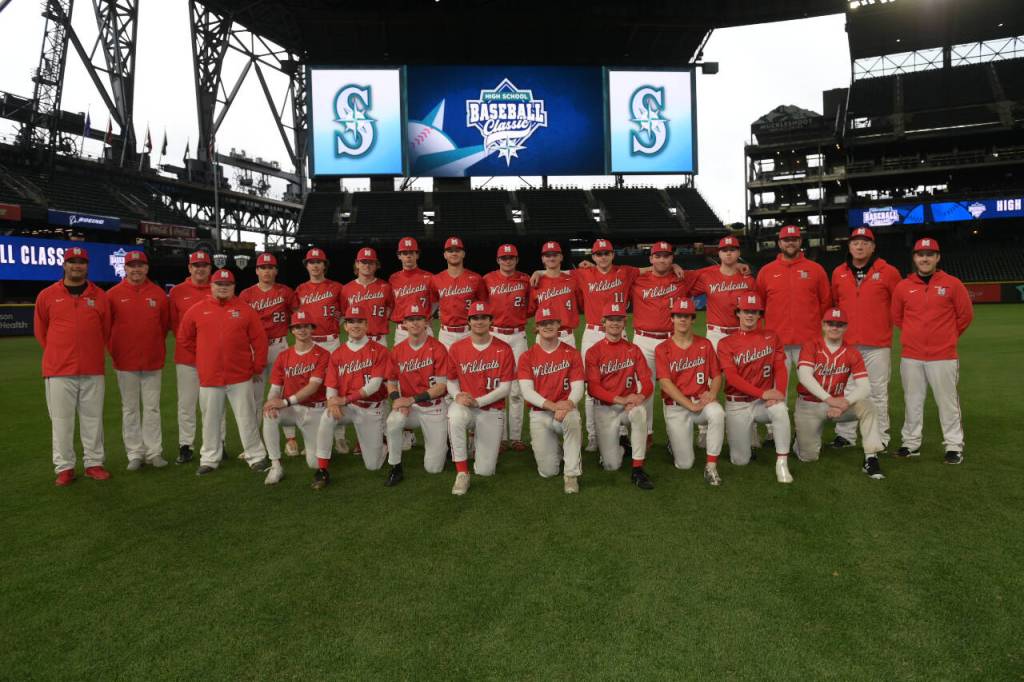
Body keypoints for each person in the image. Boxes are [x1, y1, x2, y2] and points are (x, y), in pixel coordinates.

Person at [178, 268, 270, 475]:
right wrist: (204, 356)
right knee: (210, 419)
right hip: (211, 377)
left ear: (233, 287)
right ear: (211, 286)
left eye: (227, 285)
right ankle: (210, 458)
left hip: (239, 375)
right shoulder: (197, 309)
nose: (223, 288)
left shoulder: (245, 309)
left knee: (246, 417)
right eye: (219, 284)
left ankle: (256, 456)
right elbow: (184, 337)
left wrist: (257, 366)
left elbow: (260, 340)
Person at [34, 246, 112, 486]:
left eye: (81, 262)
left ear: (87, 266)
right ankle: (65, 467)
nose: (77, 266)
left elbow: (106, 330)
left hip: (92, 368)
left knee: (93, 419)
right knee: (61, 421)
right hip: (58, 370)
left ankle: (94, 463)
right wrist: (61, 352)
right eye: (72, 262)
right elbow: (41, 332)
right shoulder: (47, 295)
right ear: (64, 265)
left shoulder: (100, 296)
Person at [891, 238, 973, 463]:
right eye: (920, 254)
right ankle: (910, 443)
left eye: (929, 254)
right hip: (911, 355)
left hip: (943, 355)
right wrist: (913, 336)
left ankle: (954, 446)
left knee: (947, 402)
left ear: (937, 258)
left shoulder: (952, 283)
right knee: (912, 401)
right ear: (915, 258)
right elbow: (897, 317)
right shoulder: (903, 286)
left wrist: (947, 337)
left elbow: (965, 315)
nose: (924, 258)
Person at [829, 227, 901, 451]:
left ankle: (880, 436)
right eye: (855, 242)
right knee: (846, 390)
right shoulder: (838, 272)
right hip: (847, 344)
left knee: (877, 391)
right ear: (849, 246)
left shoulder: (888, 272)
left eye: (865, 242)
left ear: (873, 246)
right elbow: (834, 305)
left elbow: (899, 305)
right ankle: (846, 435)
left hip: (877, 344)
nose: (859, 246)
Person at [794, 308, 885, 479]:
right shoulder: (811, 346)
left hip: (839, 406)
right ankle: (799, 438)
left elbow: (864, 387)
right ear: (823, 325)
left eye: (839, 324)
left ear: (846, 327)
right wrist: (830, 400)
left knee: (868, 406)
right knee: (809, 457)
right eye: (830, 323)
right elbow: (805, 377)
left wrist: (844, 403)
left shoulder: (852, 352)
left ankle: (871, 458)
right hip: (809, 405)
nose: (834, 327)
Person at [717, 293, 794, 483]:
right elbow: (732, 378)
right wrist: (763, 392)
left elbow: (780, 368)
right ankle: (748, 438)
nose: (749, 315)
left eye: (754, 311)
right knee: (740, 461)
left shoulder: (771, 336)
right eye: (745, 311)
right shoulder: (726, 343)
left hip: (763, 402)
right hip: (738, 404)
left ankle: (782, 463)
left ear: (760, 314)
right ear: (738, 313)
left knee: (780, 410)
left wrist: (779, 393)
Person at [312, 305, 390, 489]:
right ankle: (322, 469)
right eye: (350, 322)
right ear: (345, 326)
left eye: (359, 321)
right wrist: (332, 401)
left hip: (370, 408)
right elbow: (331, 384)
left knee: (373, 465)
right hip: (348, 407)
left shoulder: (379, 350)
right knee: (327, 416)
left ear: (366, 325)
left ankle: (384, 441)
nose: (355, 325)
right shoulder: (338, 353)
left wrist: (344, 400)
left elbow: (375, 385)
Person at [107, 250, 171, 470]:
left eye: (140, 265)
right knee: (130, 409)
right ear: (125, 268)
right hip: (125, 361)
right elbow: (107, 329)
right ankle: (134, 453)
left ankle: (154, 452)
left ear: (147, 268)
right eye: (132, 265)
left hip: (152, 360)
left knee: (152, 408)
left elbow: (163, 327)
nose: (136, 269)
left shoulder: (159, 294)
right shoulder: (113, 294)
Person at [446, 301, 516, 495]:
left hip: (491, 408)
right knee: (455, 416)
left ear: (490, 321)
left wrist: (479, 401)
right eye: (475, 318)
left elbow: (505, 388)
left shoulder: (504, 348)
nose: (479, 321)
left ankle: (476, 442)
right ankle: (461, 473)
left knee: (485, 471)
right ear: (468, 321)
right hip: (466, 406)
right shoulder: (457, 347)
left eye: (483, 317)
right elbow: (451, 380)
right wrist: (457, 394)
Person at [655, 298, 726, 485]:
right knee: (685, 464)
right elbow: (665, 384)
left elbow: (717, 375)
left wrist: (712, 393)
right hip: (677, 407)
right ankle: (674, 441)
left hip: (701, 403)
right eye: (679, 316)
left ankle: (711, 466)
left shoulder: (705, 344)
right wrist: (690, 405)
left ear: (693, 319)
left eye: (687, 316)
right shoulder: (662, 348)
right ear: (672, 318)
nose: (683, 320)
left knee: (717, 412)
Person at [585, 302, 655, 490]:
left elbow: (647, 382)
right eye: (611, 319)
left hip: (628, 408)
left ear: (624, 323)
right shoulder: (594, 352)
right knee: (611, 466)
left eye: (619, 319)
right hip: (605, 407)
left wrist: (639, 397)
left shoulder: (633, 349)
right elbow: (592, 388)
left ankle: (638, 469)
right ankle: (621, 447)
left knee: (639, 412)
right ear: (603, 322)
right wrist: (620, 399)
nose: (615, 323)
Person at [239, 251, 301, 457]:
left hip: (278, 346)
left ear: (276, 271)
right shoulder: (246, 295)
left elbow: (298, 318)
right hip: (254, 349)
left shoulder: (285, 292)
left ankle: (290, 438)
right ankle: (254, 443)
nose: (266, 271)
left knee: (282, 393)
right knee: (254, 397)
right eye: (262, 267)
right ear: (257, 270)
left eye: (270, 267)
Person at [517, 306, 585, 494]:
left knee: (573, 419)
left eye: (552, 322)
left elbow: (578, 385)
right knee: (547, 471)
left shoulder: (571, 353)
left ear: (558, 325)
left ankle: (571, 474)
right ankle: (558, 448)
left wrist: (569, 404)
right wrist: (554, 406)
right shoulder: (527, 357)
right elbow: (527, 392)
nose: (548, 326)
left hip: (565, 411)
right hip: (541, 414)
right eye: (543, 323)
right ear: (537, 327)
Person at [383, 303, 450, 485]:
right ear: (404, 323)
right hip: (409, 408)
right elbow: (390, 382)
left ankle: (444, 444)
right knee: (393, 421)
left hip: (433, 407)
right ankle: (395, 466)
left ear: (427, 322)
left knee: (434, 468)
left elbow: (442, 386)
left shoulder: (438, 348)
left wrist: (409, 400)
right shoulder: (397, 350)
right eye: (410, 320)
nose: (414, 323)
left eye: (419, 319)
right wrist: (397, 401)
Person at [630, 241, 691, 438]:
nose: (662, 259)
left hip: (671, 341)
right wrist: (541, 272)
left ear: (672, 258)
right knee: (643, 388)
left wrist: (742, 267)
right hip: (643, 340)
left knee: (677, 387)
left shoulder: (682, 278)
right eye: (658, 256)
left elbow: (717, 271)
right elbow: (611, 271)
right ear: (651, 259)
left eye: (666, 256)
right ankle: (644, 433)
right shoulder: (637, 279)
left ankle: (678, 433)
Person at [261, 311, 330, 485]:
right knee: (269, 415)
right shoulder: (284, 356)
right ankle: (276, 465)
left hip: (314, 408)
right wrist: (272, 402)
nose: (302, 330)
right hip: (291, 409)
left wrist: (283, 402)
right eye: (297, 326)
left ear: (312, 329)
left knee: (314, 463)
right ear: (292, 330)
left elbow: (313, 387)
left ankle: (320, 444)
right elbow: (275, 388)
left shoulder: (323, 354)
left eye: (306, 326)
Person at [294, 247, 348, 454]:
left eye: (319, 262)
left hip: (331, 342)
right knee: (309, 388)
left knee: (335, 388)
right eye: (311, 262)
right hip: (308, 343)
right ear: (306, 265)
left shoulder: (337, 288)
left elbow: (344, 313)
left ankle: (339, 437)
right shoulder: (300, 289)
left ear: (324, 265)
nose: (315, 265)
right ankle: (311, 435)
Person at [169, 250, 216, 464]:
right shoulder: (178, 291)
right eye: (196, 265)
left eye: (204, 265)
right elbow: (173, 324)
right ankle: (186, 445)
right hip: (187, 357)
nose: (200, 269)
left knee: (215, 403)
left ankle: (218, 443)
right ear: (189, 268)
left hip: (214, 357)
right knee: (186, 403)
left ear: (210, 268)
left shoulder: (218, 289)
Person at [483, 243, 531, 451]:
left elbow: (533, 304)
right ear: (498, 260)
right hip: (494, 334)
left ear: (517, 259)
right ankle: (500, 436)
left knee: (517, 389)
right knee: (496, 386)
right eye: (504, 258)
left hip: (518, 334)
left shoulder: (526, 279)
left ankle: (516, 436)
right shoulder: (487, 280)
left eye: (511, 257)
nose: (507, 261)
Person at [688, 236, 755, 351]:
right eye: (724, 250)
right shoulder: (707, 277)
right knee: (714, 369)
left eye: (732, 250)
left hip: (741, 332)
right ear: (719, 253)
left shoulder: (748, 279)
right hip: (715, 334)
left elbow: (755, 310)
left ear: (739, 252)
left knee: (743, 369)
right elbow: (684, 283)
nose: (728, 253)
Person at [430, 236, 485, 350]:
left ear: (463, 254)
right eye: (450, 251)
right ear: (445, 255)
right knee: (447, 367)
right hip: (446, 334)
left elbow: (483, 305)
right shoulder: (436, 279)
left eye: (457, 250)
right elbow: (432, 304)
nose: (454, 253)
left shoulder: (476, 278)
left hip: (469, 331)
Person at [529, 240, 580, 348]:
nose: (551, 258)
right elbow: (531, 309)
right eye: (547, 255)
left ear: (561, 257)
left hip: (567, 336)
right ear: (543, 259)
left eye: (555, 255)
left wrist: (538, 271)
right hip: (543, 336)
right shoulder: (536, 282)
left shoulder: (573, 279)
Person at [388, 236, 435, 346]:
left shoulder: (429, 277)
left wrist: (429, 314)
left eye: (411, 252)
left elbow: (437, 301)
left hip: (424, 329)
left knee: (428, 362)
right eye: (404, 253)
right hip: (402, 331)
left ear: (417, 255)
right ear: (399, 256)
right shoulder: (393, 279)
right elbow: (391, 303)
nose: (408, 256)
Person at [343, 247, 394, 344]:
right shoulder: (346, 289)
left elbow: (390, 308)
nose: (367, 265)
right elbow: (344, 313)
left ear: (376, 265)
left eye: (371, 262)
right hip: (355, 340)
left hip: (379, 340)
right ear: (357, 264)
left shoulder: (385, 287)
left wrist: (379, 322)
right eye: (364, 262)